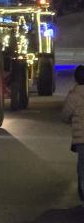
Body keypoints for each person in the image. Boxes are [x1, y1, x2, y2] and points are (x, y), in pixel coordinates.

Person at [62, 65, 84, 202]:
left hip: (81, 139)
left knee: (82, 166)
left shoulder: (73, 96)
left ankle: (82, 190)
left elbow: (65, 116)